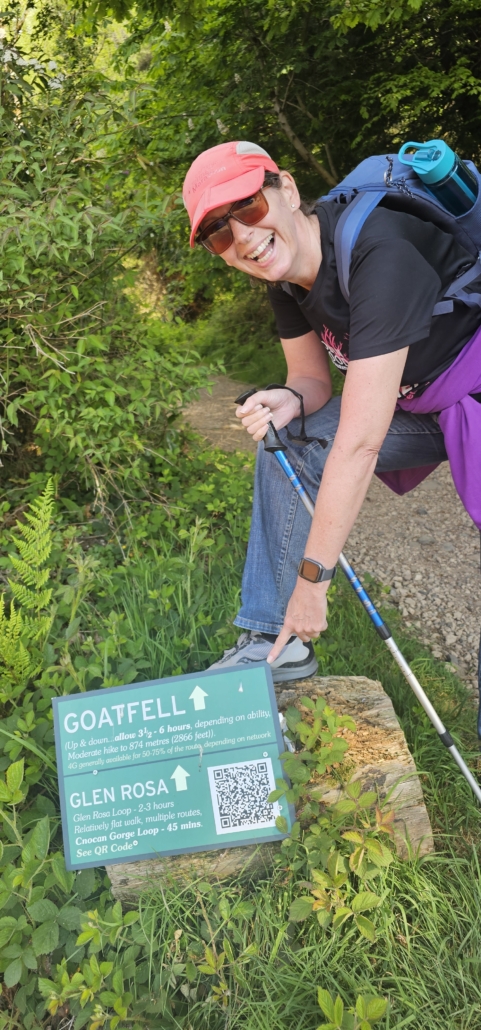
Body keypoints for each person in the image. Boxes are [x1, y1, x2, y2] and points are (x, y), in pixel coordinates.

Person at [182, 140, 481, 702]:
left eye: (247, 206)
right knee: (288, 442)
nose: (242, 235)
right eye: (219, 232)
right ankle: (273, 640)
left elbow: (360, 443)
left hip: (473, 398)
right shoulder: (285, 279)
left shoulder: (379, 252)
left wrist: (313, 582)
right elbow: (313, 381)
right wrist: (290, 400)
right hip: (422, 403)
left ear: (287, 190)